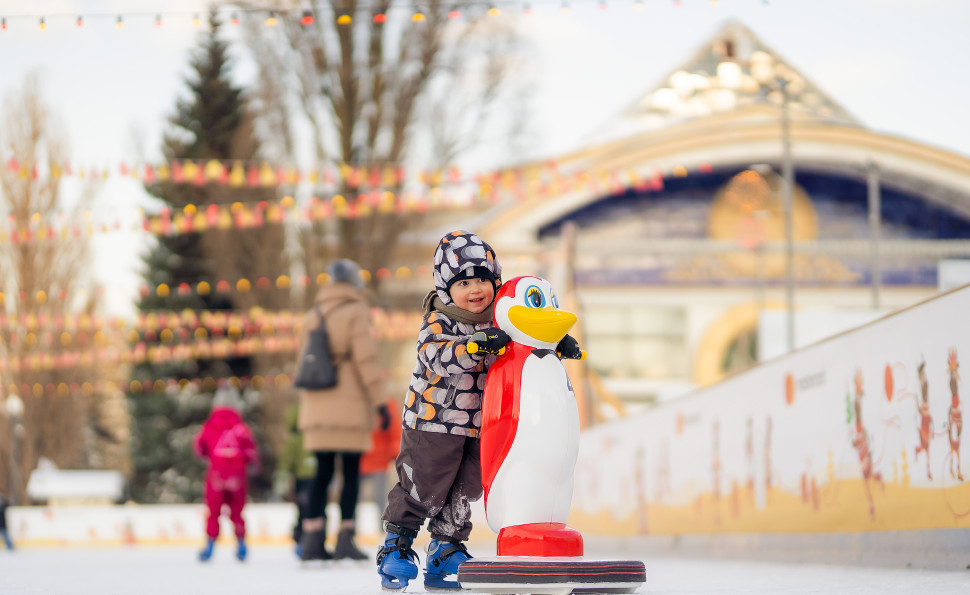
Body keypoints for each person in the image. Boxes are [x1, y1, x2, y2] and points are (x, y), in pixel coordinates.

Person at [376, 230, 511, 591]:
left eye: (483, 278)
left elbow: (525, 345)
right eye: (463, 282)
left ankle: (446, 549)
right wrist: (472, 345)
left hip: (479, 426)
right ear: (445, 288)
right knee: (423, 484)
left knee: (465, 490)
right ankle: (397, 544)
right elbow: (434, 354)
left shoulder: (500, 321)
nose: (475, 288)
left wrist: (554, 343)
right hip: (432, 422)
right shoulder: (441, 320)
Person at [296, 258, 390, 562]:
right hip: (349, 407)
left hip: (316, 406)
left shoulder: (313, 314)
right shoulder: (355, 311)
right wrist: (379, 402)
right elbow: (365, 360)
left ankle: (312, 539)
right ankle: (345, 540)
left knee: (321, 473)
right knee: (350, 472)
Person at [194, 387, 260, 562]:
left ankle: (209, 546)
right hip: (237, 474)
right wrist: (252, 465)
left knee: (213, 511)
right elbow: (251, 451)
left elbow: (200, 448)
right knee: (237, 511)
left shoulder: (209, 426)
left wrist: (212, 456)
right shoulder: (241, 428)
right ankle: (241, 545)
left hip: (216, 472)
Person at [275, 403, 317, 559]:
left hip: (305, 481)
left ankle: (304, 541)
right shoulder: (312, 436)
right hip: (312, 480)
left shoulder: (294, 439)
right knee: (313, 511)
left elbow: (286, 460)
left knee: (304, 512)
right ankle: (309, 541)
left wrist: (283, 475)